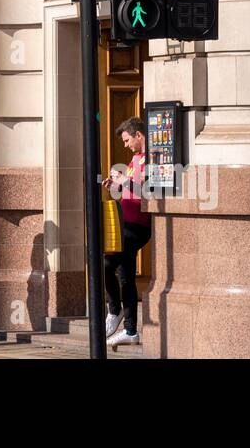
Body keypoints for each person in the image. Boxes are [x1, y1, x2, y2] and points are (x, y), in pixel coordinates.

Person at [103, 117, 152, 348]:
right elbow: (130, 190)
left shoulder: (151, 160)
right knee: (125, 275)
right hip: (125, 223)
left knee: (107, 264)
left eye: (127, 140)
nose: (125, 145)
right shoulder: (134, 159)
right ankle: (130, 329)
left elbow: (148, 193)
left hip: (138, 226)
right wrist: (115, 186)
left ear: (138, 135)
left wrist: (126, 181)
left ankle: (114, 311)